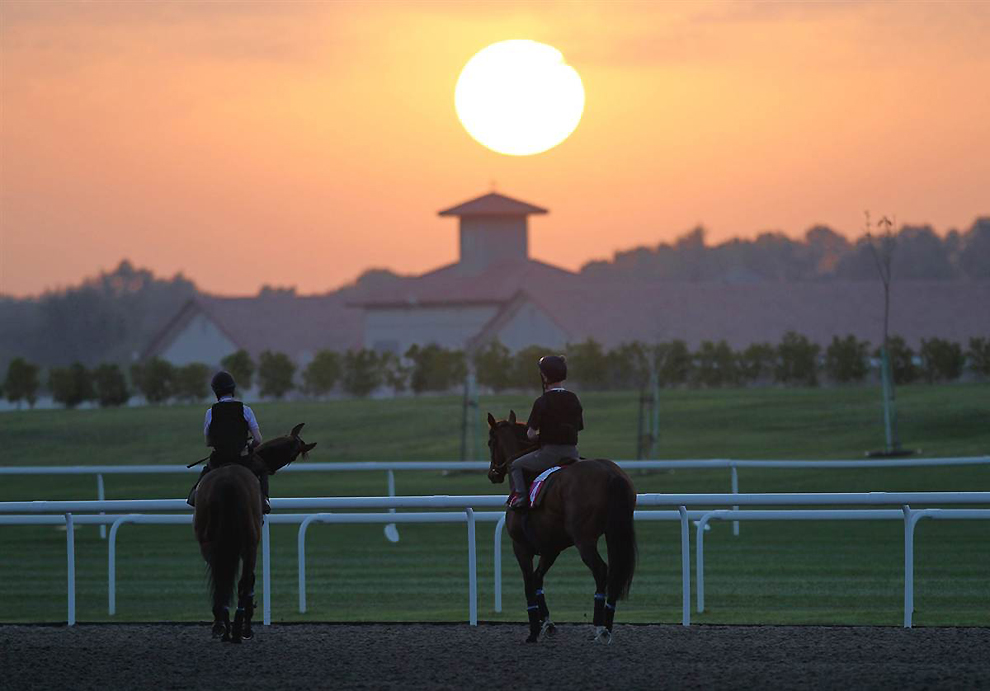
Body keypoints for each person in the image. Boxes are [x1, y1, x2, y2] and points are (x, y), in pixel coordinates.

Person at [187, 370, 270, 513]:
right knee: (262, 469)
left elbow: (209, 442)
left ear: (215, 392)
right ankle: (264, 500)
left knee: (205, 474)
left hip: (219, 460)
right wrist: (248, 445)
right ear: (233, 389)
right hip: (242, 460)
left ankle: (194, 495)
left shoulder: (210, 413)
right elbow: (258, 439)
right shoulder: (246, 410)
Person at [508, 355, 583, 511]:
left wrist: (540, 437)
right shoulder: (574, 398)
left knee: (515, 465)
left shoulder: (542, 401)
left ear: (544, 376)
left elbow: (530, 434)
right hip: (572, 454)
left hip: (549, 455)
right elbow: (578, 428)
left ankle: (521, 498)